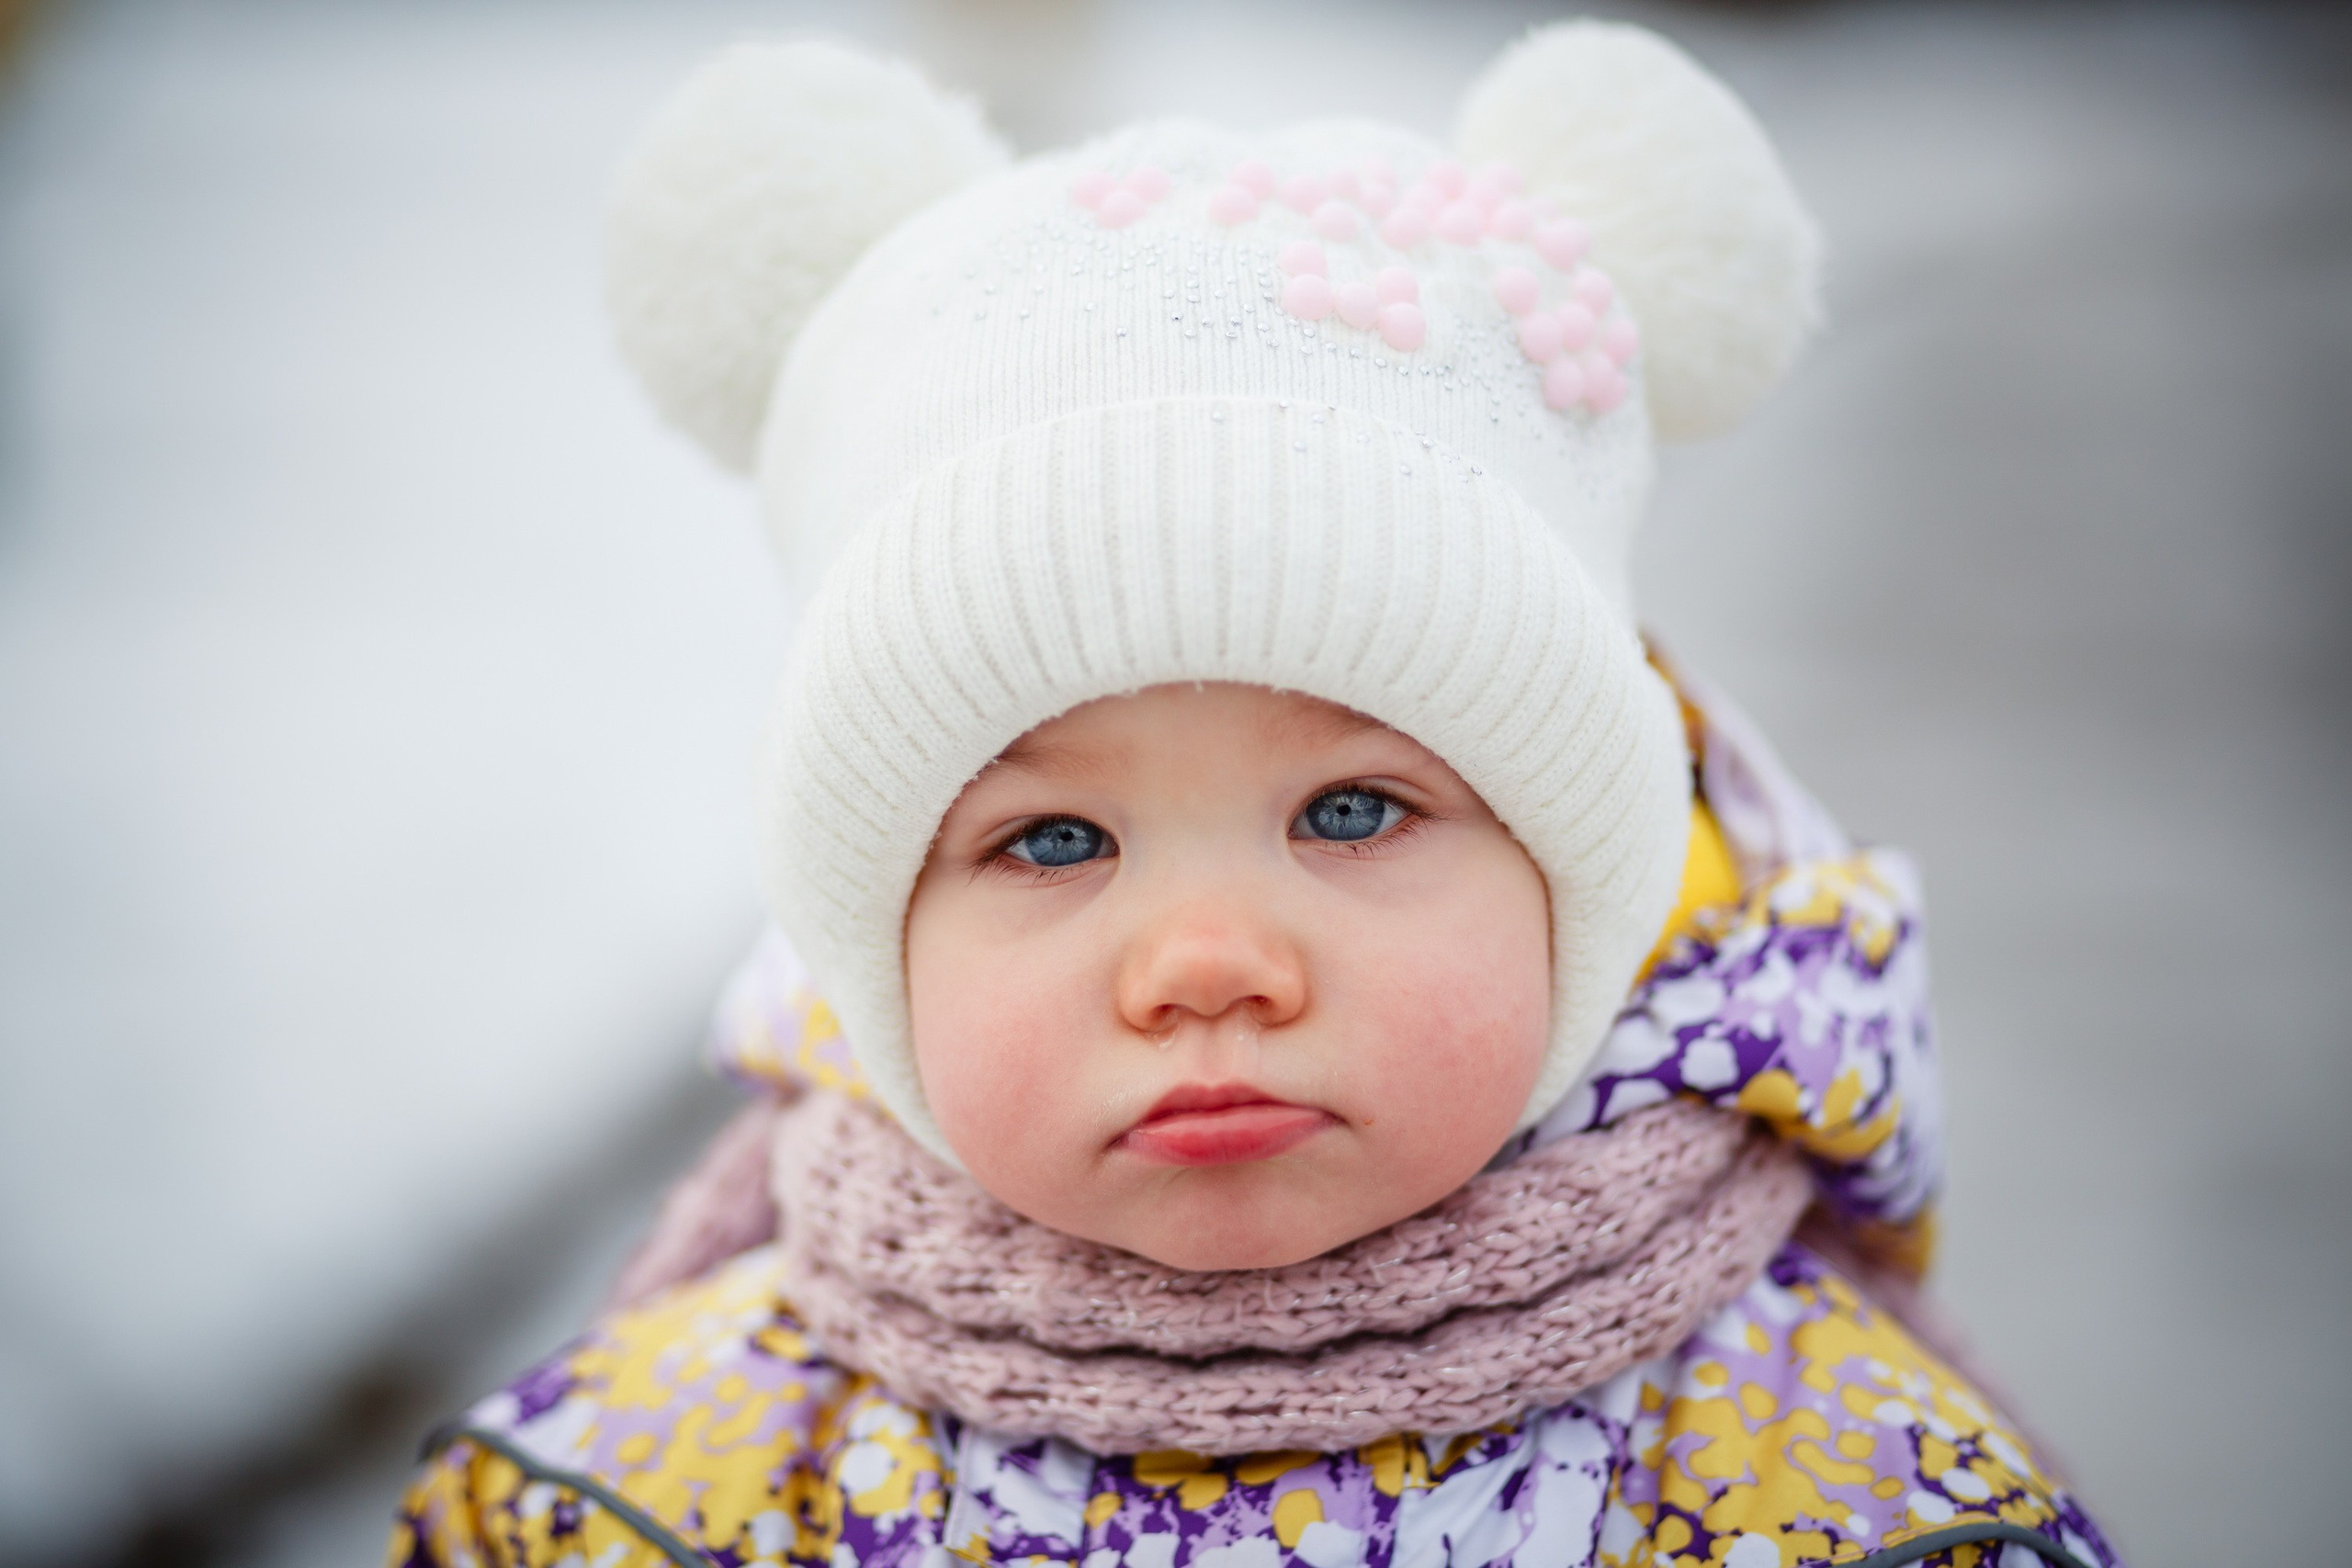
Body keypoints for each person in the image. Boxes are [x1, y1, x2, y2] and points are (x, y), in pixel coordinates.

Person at [390, 22, 2124, 1568]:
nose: (1208, 960)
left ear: (1572, 890)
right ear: (876, 947)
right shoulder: (636, 1493)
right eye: (1053, 839)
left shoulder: (1840, 1498)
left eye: (1355, 812)